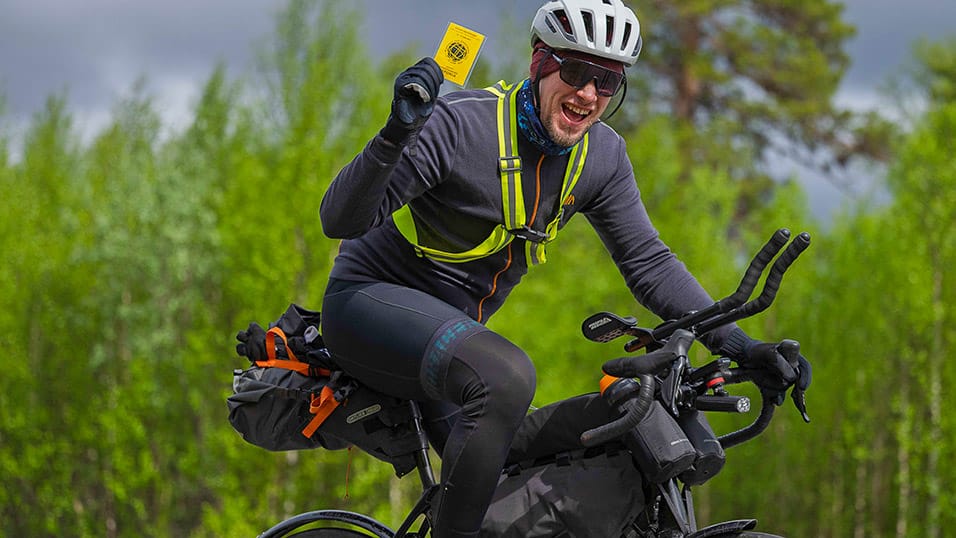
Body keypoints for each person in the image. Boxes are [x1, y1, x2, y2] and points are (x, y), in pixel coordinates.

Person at [318, 1, 810, 536]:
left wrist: (741, 347)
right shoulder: (461, 125)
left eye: (607, 82)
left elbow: (648, 262)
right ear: (538, 63)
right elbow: (340, 219)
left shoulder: (602, 157)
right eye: (575, 72)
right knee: (508, 376)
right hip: (367, 307)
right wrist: (395, 134)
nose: (588, 95)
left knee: (623, 408)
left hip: (457, 351)